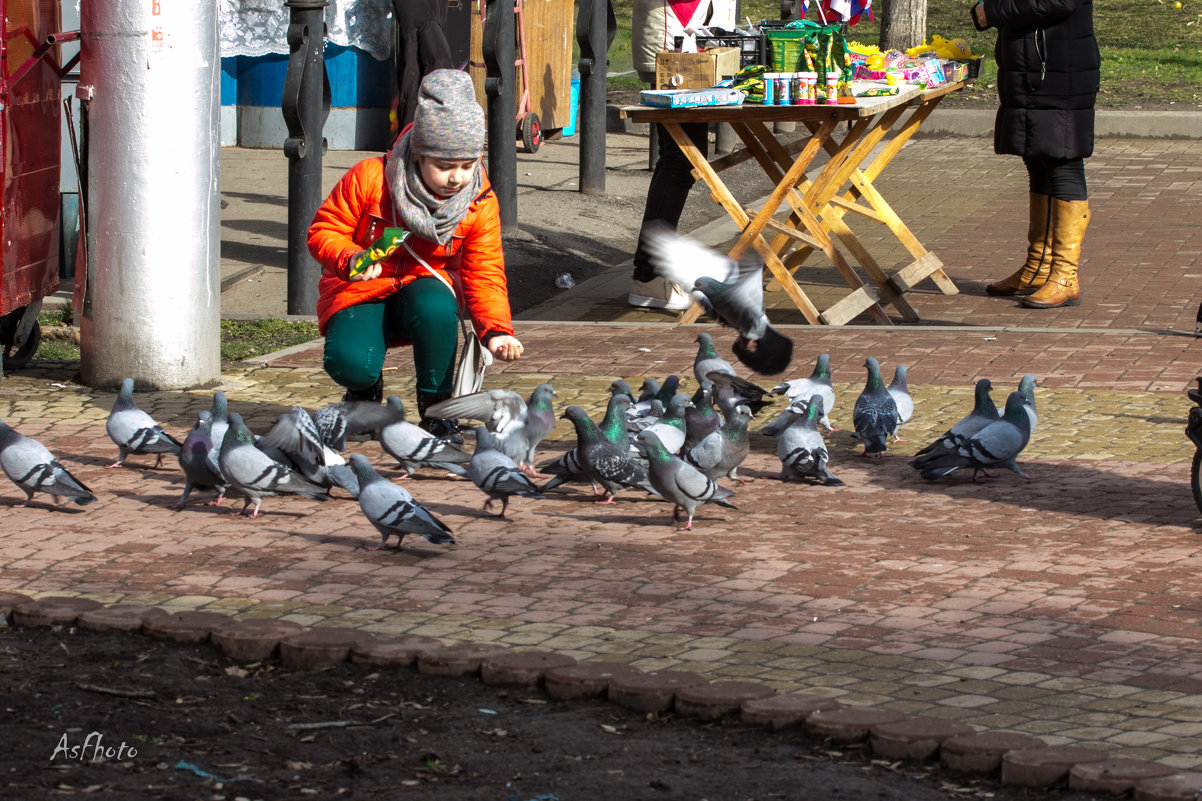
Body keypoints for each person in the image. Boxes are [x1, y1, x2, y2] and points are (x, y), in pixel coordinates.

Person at [308, 69, 523, 434]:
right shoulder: (370, 177)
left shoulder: (479, 201)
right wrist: (350, 259)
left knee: (437, 309)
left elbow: (484, 270)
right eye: (444, 166)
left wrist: (496, 330)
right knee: (349, 363)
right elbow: (324, 230)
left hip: (424, 286)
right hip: (360, 288)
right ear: (419, 155)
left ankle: (438, 409)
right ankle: (363, 390)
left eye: (467, 165)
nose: (457, 178)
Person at [974, 0, 1099, 308]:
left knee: (1062, 161)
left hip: (1060, 71)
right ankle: (1038, 267)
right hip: (1027, 72)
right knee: (1037, 161)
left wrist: (993, 11)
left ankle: (1065, 276)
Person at [628, 0, 733, 311]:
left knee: (680, 159)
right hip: (671, 39)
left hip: (696, 36)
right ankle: (647, 276)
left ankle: (649, 272)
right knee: (680, 160)